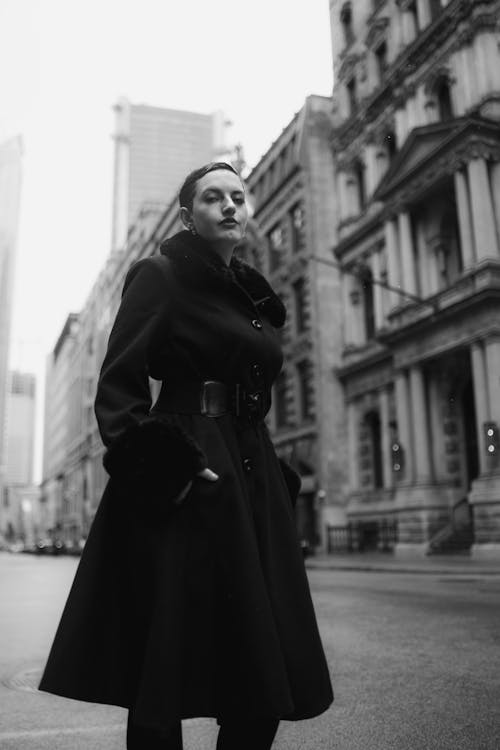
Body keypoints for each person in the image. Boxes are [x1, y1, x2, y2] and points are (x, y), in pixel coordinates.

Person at [38, 162, 333, 749]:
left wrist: (273, 473)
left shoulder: (252, 294)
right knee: (163, 655)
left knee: (261, 651)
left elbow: (255, 386)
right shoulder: (161, 274)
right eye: (213, 197)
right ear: (187, 215)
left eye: (238, 197)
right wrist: (168, 464)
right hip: (187, 467)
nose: (230, 206)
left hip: (249, 468)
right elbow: (118, 386)